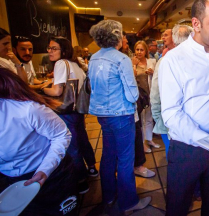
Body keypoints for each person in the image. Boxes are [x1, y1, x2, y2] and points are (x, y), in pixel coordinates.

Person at [159, 0, 209, 216]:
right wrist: (207, 141)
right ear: (196, 24)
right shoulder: (173, 60)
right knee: (177, 208)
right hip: (187, 151)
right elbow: (172, 113)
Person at [88, 20, 151, 213]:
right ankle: (129, 202)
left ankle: (109, 197)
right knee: (125, 159)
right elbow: (132, 95)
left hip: (102, 114)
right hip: (121, 114)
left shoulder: (94, 58)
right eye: (122, 34)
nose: (124, 38)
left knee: (108, 155)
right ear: (115, 36)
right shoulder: (121, 59)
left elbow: (91, 87)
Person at [0, 68, 78, 216]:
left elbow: (62, 134)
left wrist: (45, 169)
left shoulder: (27, 110)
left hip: (53, 176)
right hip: (11, 182)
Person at [40, 36, 97, 193]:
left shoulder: (61, 63)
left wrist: (42, 89)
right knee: (83, 139)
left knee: (72, 147)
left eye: (54, 48)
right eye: (49, 48)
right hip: (78, 109)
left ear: (63, 50)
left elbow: (57, 91)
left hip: (65, 111)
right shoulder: (76, 64)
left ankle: (81, 181)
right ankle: (92, 168)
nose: (50, 51)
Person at [151, 24, 193, 155]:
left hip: (172, 119)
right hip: (179, 121)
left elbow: (155, 93)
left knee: (175, 157)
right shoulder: (166, 61)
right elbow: (156, 92)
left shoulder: (165, 61)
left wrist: (158, 117)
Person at [131, 41, 158, 153]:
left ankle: (149, 139)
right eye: (137, 49)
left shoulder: (151, 61)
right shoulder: (131, 62)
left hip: (150, 94)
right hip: (139, 96)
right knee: (141, 120)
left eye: (141, 50)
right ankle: (142, 144)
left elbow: (158, 76)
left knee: (149, 118)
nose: (139, 52)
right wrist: (134, 65)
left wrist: (153, 73)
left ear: (146, 51)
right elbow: (130, 78)